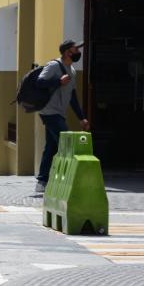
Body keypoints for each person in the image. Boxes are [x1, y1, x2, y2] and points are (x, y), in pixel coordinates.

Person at [35, 40, 90, 192]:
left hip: (59, 112)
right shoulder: (53, 65)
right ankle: (70, 182)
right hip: (49, 111)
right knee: (67, 144)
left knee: (51, 147)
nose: (78, 52)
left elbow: (72, 96)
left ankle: (42, 181)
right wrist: (57, 81)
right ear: (67, 52)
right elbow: (39, 82)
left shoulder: (72, 70)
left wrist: (81, 117)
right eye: (75, 49)